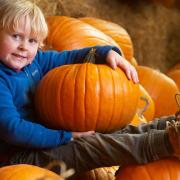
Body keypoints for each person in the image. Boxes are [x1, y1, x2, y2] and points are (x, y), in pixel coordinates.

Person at [0, 0, 179, 176]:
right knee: (89, 146)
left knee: (106, 131)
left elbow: (69, 57)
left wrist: (104, 53)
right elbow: (12, 129)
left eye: (32, 41)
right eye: (16, 36)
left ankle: (169, 126)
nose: (23, 46)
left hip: (46, 140)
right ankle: (167, 142)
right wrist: (66, 136)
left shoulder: (35, 61)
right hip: (17, 158)